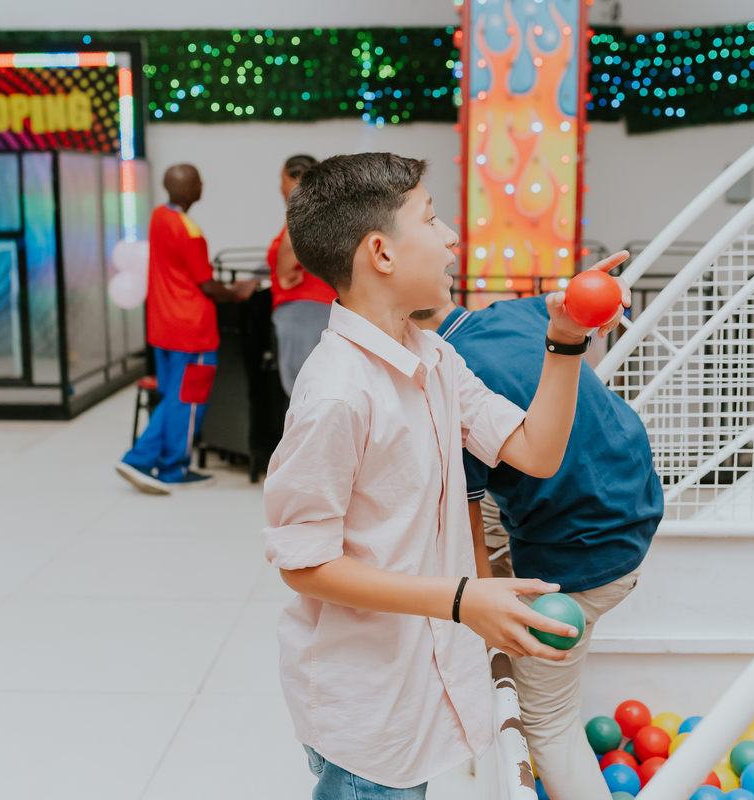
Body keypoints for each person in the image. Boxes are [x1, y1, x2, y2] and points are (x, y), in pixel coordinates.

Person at [262, 152, 629, 798]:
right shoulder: (338, 395)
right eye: (431, 219)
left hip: (411, 689)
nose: (453, 237)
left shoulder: (433, 357)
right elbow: (304, 563)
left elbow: (535, 451)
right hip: (366, 711)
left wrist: (566, 340)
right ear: (381, 253)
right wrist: (462, 599)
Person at [412, 294, 665, 800]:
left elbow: (467, 536)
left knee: (544, 721)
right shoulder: (517, 312)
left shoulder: (446, 386)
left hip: (583, 546)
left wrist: (481, 619)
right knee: (481, 500)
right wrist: (608, 303)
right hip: (632, 493)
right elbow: (578, 319)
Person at [115, 164, 256, 495]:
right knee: (186, 400)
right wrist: (239, 290)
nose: (203, 186)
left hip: (162, 327)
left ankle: (163, 463)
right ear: (192, 189)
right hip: (192, 330)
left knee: (172, 396)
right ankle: (149, 461)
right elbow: (207, 286)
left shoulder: (158, 217)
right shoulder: (189, 231)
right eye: (199, 182)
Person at [268, 154, 337, 396]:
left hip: (303, 312)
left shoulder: (304, 213)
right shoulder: (329, 213)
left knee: (303, 394)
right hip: (325, 310)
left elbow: (290, 243)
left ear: (296, 180)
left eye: (283, 179)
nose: (280, 187)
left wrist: (283, 273)